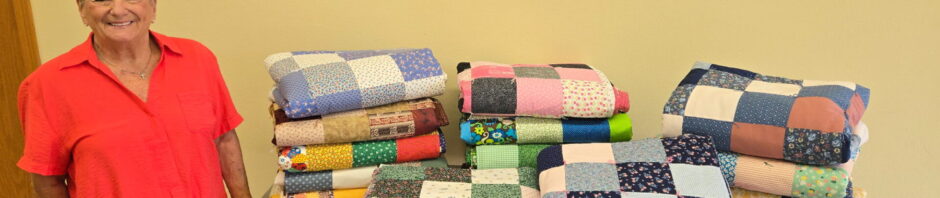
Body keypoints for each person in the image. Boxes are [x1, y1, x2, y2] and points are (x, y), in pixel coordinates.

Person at [17, 0, 251, 197]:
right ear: (81, 9)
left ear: (153, 6)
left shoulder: (197, 58)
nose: (118, 10)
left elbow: (224, 140)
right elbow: (47, 181)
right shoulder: (46, 84)